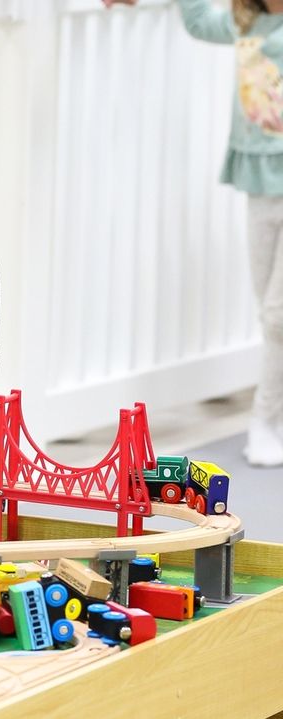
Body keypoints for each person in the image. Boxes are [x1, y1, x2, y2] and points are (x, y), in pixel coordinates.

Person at [105, 0, 283, 466]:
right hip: (260, 182)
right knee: (269, 310)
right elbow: (199, 19)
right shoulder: (246, 20)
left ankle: (265, 419)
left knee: (277, 313)